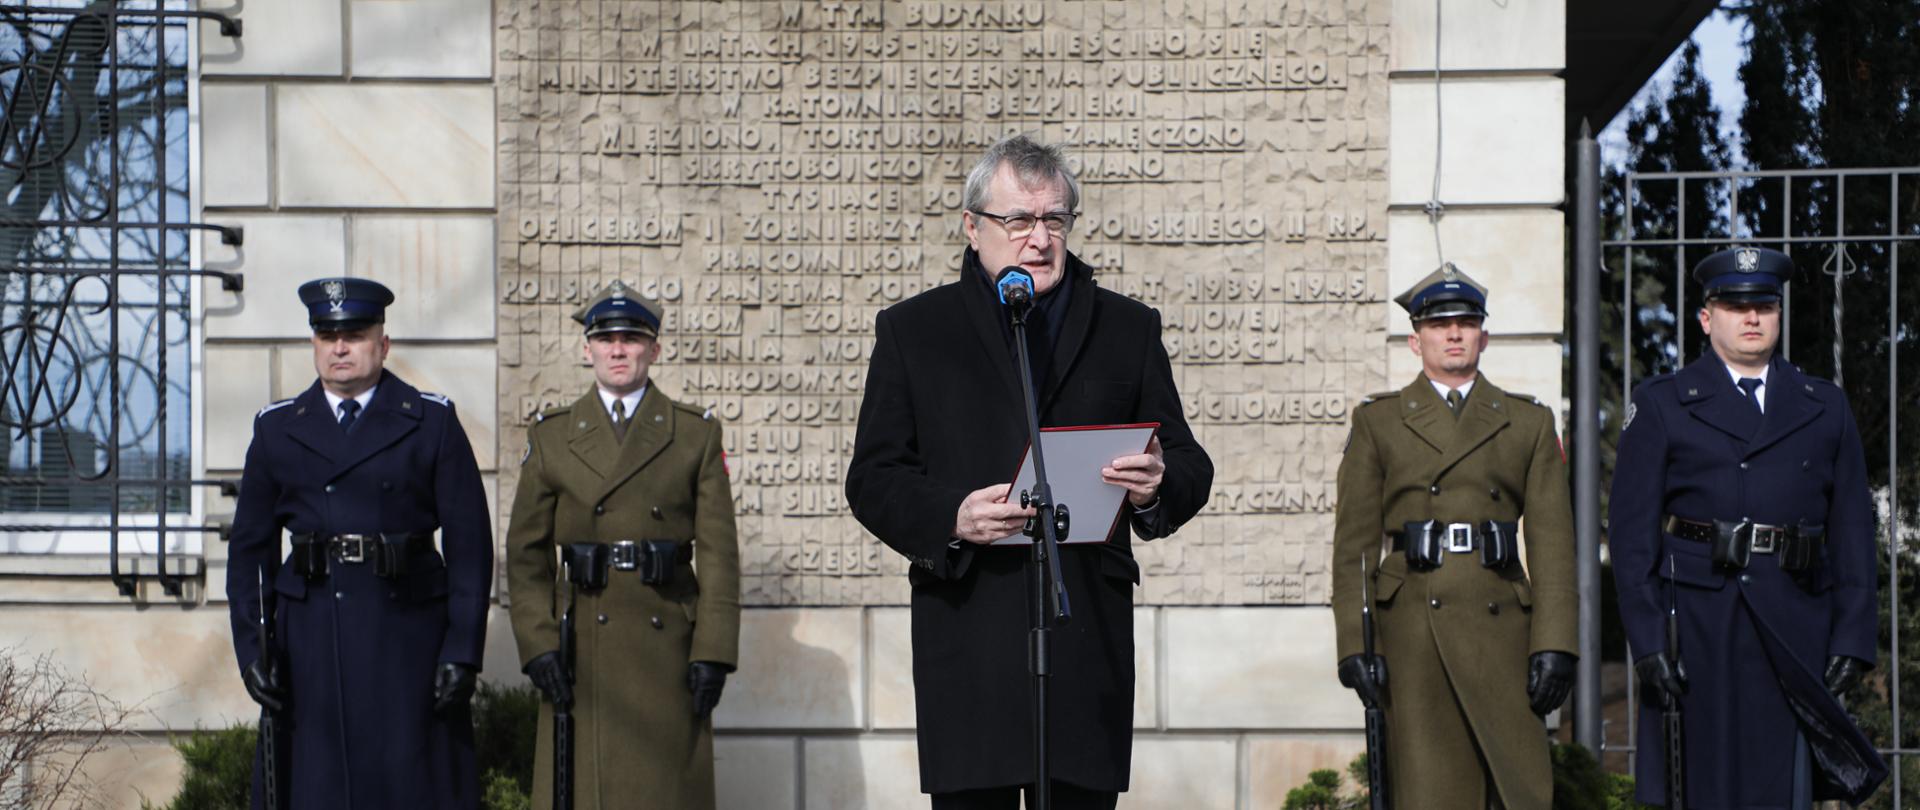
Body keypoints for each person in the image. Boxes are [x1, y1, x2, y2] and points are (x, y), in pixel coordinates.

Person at [845, 134, 1212, 809]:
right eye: (1018, 220)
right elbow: (872, 478)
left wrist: (1159, 484)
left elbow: (1189, 463)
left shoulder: (1126, 329)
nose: (1037, 239)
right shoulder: (913, 332)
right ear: (973, 227)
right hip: (969, 636)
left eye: (1054, 220)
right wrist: (952, 515)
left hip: (1083, 637)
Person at [1610, 246, 1885, 808]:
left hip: (1796, 618)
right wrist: (1645, 643)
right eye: (1736, 307)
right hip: (1700, 621)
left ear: (1779, 314)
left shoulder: (1823, 406)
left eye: (1764, 305)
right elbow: (1632, 534)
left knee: (1783, 788)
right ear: (1708, 318)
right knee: (1704, 784)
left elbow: (1854, 526)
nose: (1752, 318)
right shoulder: (1664, 404)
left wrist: (1853, 637)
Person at [225, 277, 492, 810]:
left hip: (409, 640)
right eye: (327, 335)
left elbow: (470, 548)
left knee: (413, 786)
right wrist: (253, 648)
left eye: (354, 334)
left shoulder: (431, 421)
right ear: (314, 345)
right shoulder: (278, 428)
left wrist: (462, 651)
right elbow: (250, 552)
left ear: (383, 343)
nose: (340, 347)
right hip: (311, 647)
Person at [1330, 265, 1576, 810]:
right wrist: (1355, 643)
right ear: (1416, 340)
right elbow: (1355, 547)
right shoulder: (1379, 421)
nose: (1455, 334)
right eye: (1440, 325)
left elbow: (1554, 544)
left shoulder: (1527, 421)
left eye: (1466, 322)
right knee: (1430, 790)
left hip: (1502, 628)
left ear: (1484, 335)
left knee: (1516, 788)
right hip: (1414, 628)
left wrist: (1556, 642)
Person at [505, 279, 741, 810]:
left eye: (632, 340)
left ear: (654, 349)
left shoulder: (694, 435)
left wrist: (714, 652)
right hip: (581, 644)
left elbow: (720, 555)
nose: (618, 350)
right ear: (587, 349)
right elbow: (526, 555)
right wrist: (537, 641)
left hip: (667, 642)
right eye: (606, 339)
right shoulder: (552, 436)